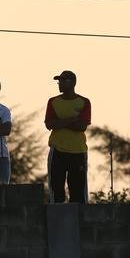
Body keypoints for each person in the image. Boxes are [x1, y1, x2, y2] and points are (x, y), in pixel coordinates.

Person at [45, 70, 91, 203]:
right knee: (56, 188)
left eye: (63, 81)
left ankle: (79, 221)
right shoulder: (53, 101)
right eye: (59, 81)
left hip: (78, 151)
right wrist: (72, 120)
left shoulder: (84, 102)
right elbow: (49, 124)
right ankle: (57, 220)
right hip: (57, 150)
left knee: (78, 191)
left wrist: (60, 122)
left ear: (73, 83)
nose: (60, 84)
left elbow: (82, 126)